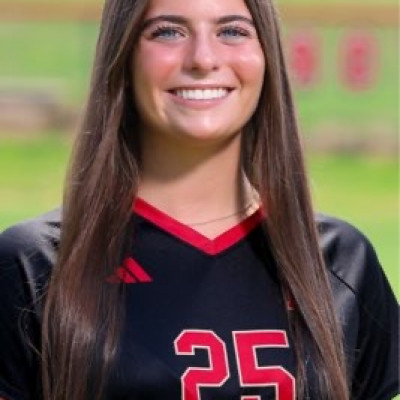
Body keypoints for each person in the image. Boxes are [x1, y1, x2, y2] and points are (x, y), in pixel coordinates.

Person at [0, 0, 398, 399]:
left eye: (233, 31)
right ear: (123, 54)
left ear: (267, 56)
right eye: (168, 32)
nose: (203, 59)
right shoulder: (35, 264)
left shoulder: (340, 261)